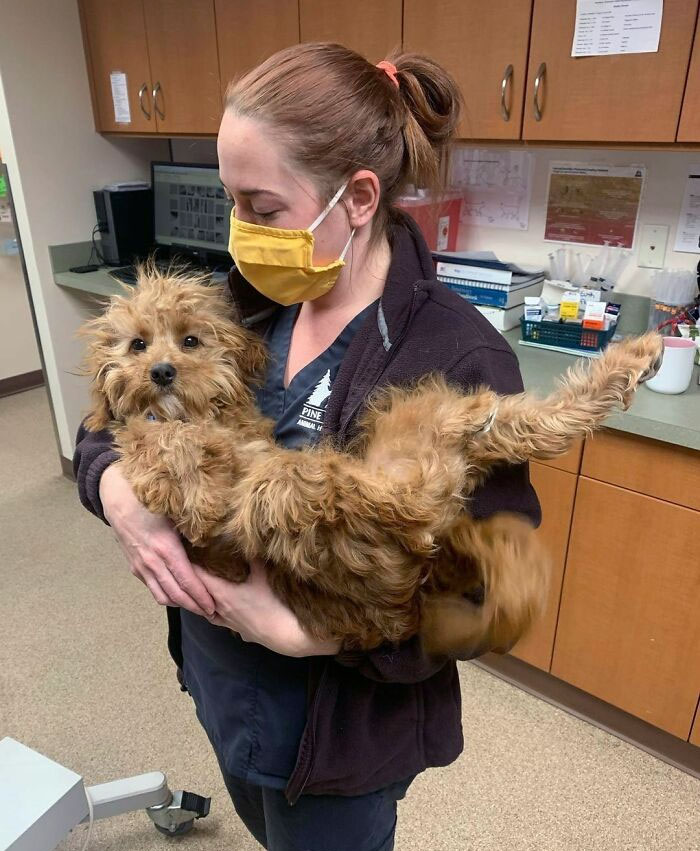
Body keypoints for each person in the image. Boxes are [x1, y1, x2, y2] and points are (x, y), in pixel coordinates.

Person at [74, 43, 541, 851]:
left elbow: (494, 599)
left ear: (358, 198)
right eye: (231, 202)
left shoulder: (458, 358)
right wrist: (116, 493)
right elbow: (109, 420)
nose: (240, 233)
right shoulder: (237, 308)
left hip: (340, 733)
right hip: (223, 684)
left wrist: (313, 634)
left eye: (262, 206)